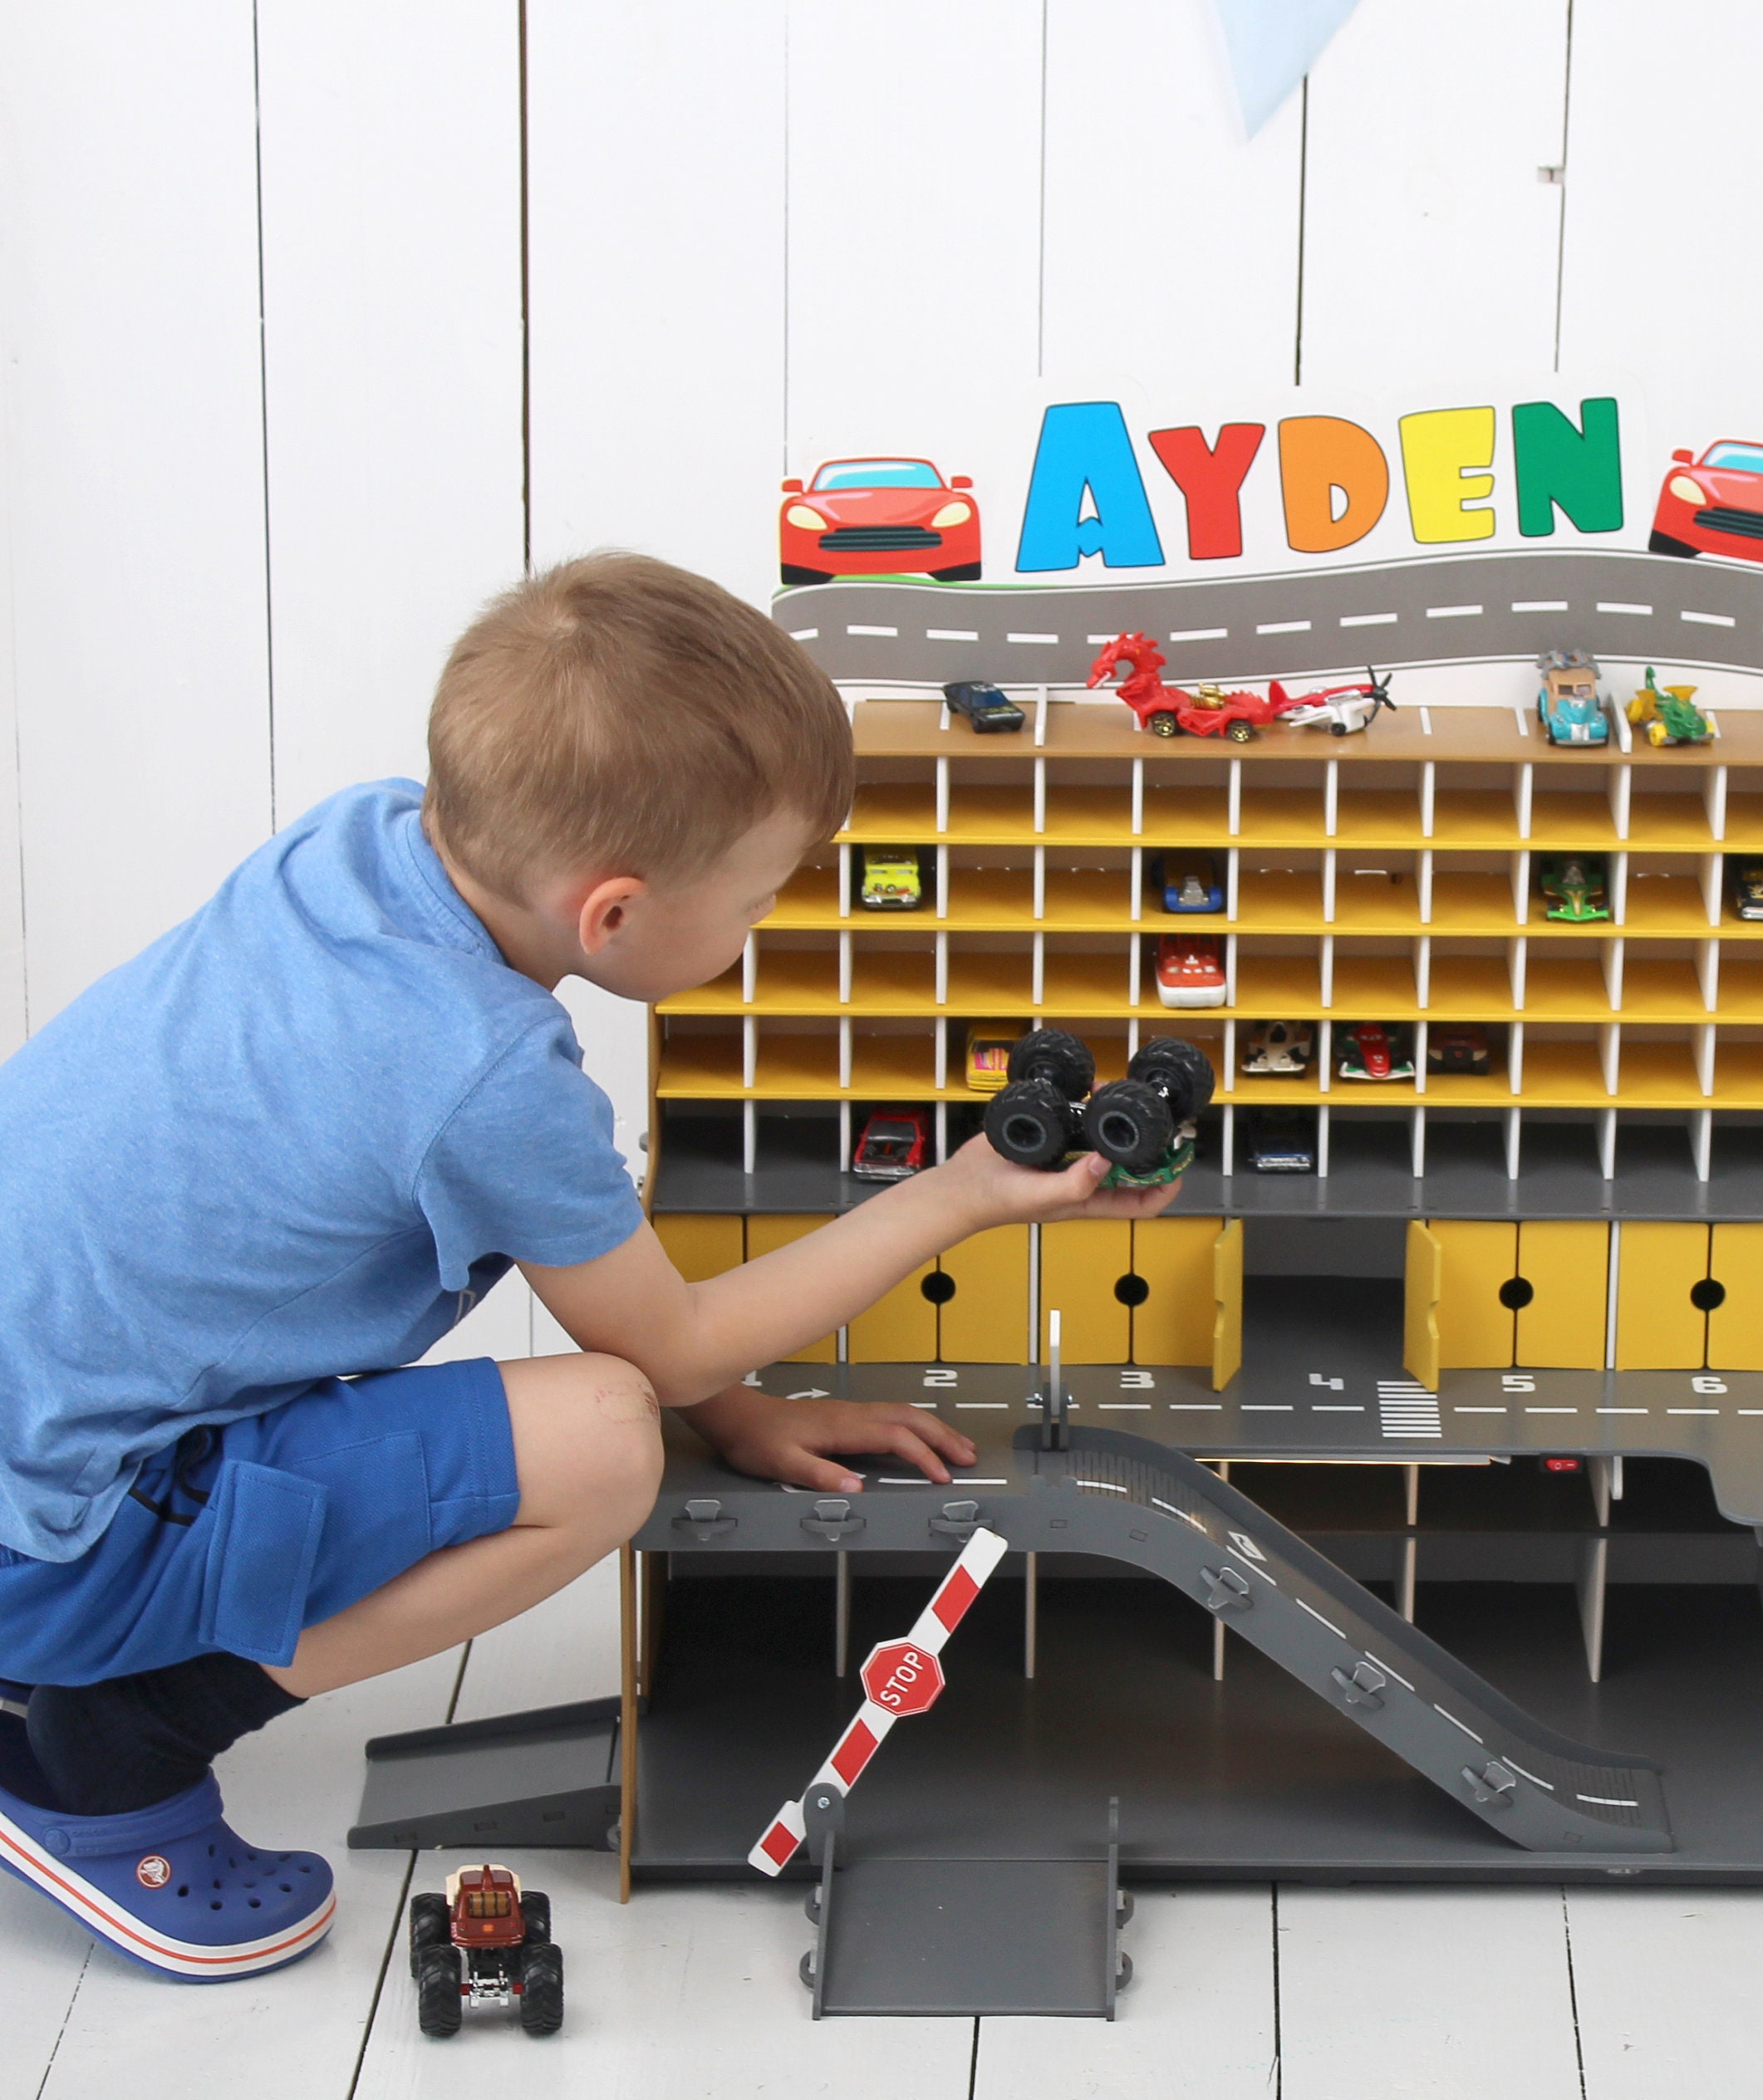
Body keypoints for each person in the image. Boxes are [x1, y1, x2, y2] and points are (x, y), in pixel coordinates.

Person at [0, 553, 1167, 1980]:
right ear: (611, 915)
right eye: (754, 900)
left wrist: (742, 1414)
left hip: (33, 1435)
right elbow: (656, 1353)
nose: (759, 931)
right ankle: (111, 1742)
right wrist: (967, 1191)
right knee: (606, 1444)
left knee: (626, 1401)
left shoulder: (357, 845)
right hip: (52, 1530)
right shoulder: (484, 1070)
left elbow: (633, 1306)